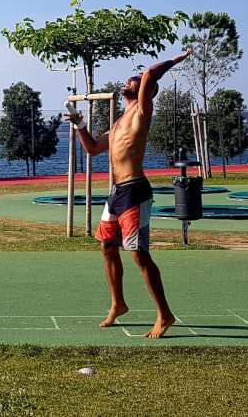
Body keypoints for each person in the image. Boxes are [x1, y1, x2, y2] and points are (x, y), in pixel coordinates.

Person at [65, 49, 191, 338]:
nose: (129, 80)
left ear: (147, 89)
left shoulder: (142, 110)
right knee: (107, 246)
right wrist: (79, 124)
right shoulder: (119, 122)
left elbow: (149, 74)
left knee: (138, 254)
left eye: (133, 79)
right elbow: (93, 148)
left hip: (135, 191)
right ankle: (118, 304)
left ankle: (165, 314)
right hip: (116, 192)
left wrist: (175, 60)